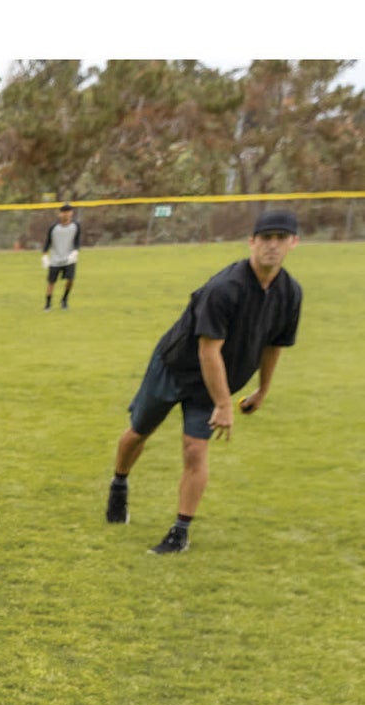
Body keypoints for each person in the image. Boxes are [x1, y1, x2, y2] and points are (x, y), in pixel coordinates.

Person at [106, 210, 303, 555]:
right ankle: (119, 483)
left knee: (195, 448)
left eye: (281, 239)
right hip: (175, 368)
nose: (273, 246)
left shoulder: (290, 294)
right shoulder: (224, 289)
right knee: (138, 432)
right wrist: (225, 403)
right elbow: (207, 350)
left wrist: (262, 390)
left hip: (216, 383)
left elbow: (274, 346)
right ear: (252, 242)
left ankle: (179, 533)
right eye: (266, 238)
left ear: (294, 243)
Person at [41, 204, 82, 309]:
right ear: (60, 214)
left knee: (70, 280)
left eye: (69, 212)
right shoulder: (54, 227)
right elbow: (48, 242)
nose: (67, 215)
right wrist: (44, 256)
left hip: (69, 259)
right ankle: (48, 304)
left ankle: (64, 300)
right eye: (64, 212)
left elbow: (77, 241)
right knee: (51, 282)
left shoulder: (76, 226)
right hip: (55, 258)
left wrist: (75, 252)